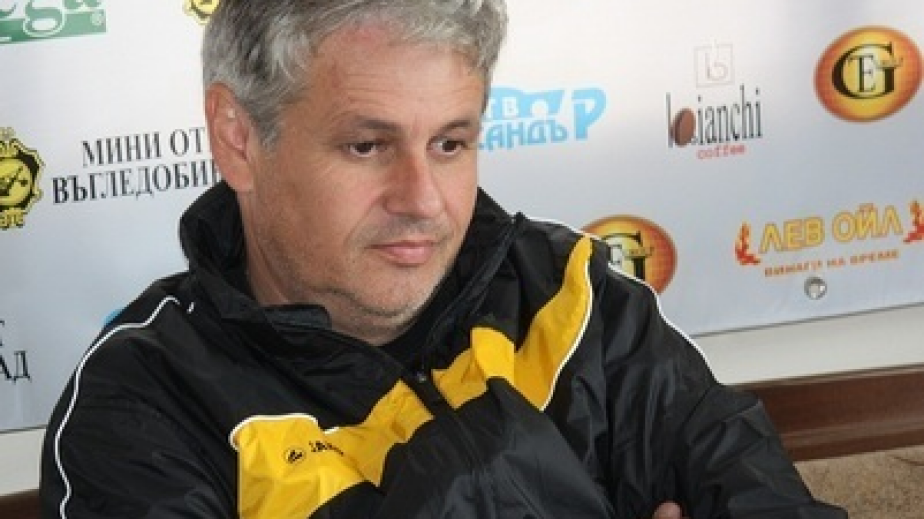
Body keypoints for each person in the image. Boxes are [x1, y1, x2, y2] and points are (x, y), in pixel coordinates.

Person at [40, 1, 846, 518]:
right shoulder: (142, 402)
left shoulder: (571, 298)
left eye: (451, 143)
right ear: (238, 139)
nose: (423, 199)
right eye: (367, 145)